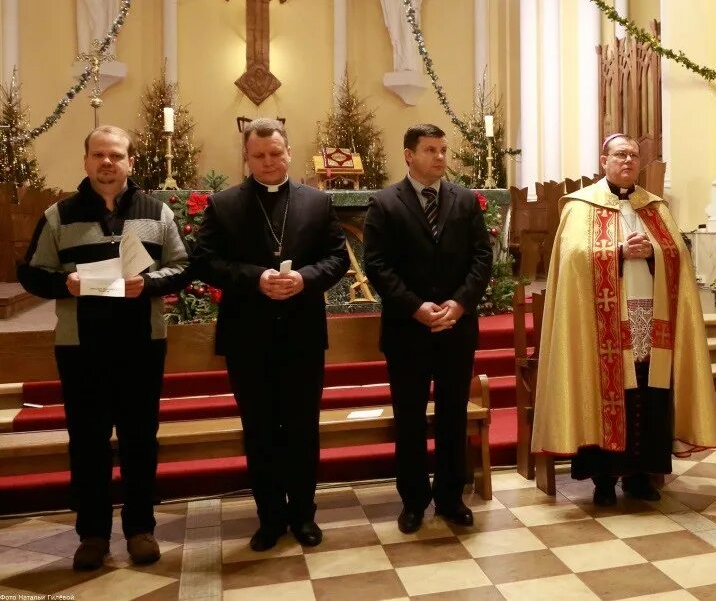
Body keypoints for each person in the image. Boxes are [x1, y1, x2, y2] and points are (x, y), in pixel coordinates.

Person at [18, 126, 188, 571]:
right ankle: (92, 535)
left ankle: (140, 529)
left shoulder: (158, 213)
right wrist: (65, 283)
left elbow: (184, 267)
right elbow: (32, 274)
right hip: (81, 347)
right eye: (99, 155)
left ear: (131, 161)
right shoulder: (60, 215)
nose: (107, 163)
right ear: (86, 161)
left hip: (142, 345)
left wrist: (147, 283)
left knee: (138, 442)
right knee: (88, 443)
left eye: (116, 155)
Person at [532, 134, 716, 505]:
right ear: (604, 160)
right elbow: (571, 259)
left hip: (649, 316)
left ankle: (640, 476)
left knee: (647, 394)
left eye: (634, 156)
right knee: (608, 391)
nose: (628, 161)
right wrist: (617, 252)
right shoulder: (580, 205)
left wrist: (654, 251)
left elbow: (677, 253)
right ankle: (603, 479)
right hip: (599, 321)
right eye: (620, 154)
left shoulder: (654, 206)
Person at [192, 118, 349, 550]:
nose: (268, 162)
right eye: (258, 155)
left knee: (302, 429)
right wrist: (255, 278)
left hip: (301, 335)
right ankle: (269, 518)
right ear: (246, 157)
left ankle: (303, 515)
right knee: (259, 429)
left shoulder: (316, 202)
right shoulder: (224, 205)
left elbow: (338, 259)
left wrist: (305, 279)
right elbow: (205, 261)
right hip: (248, 337)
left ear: (289, 152)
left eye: (275, 153)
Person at [363, 124, 493, 534]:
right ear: (409, 155)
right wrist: (417, 308)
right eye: (431, 150)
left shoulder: (465, 200)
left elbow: (481, 258)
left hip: (456, 326)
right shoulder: (385, 203)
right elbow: (378, 266)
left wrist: (459, 303)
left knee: (454, 414)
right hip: (408, 330)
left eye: (443, 150)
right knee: (411, 418)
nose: (440, 157)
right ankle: (414, 501)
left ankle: (452, 497)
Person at [378, 0, 434, 104]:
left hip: (409, 11)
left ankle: (411, 66)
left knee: (408, 36)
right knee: (396, 37)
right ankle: (401, 65)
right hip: (395, 12)